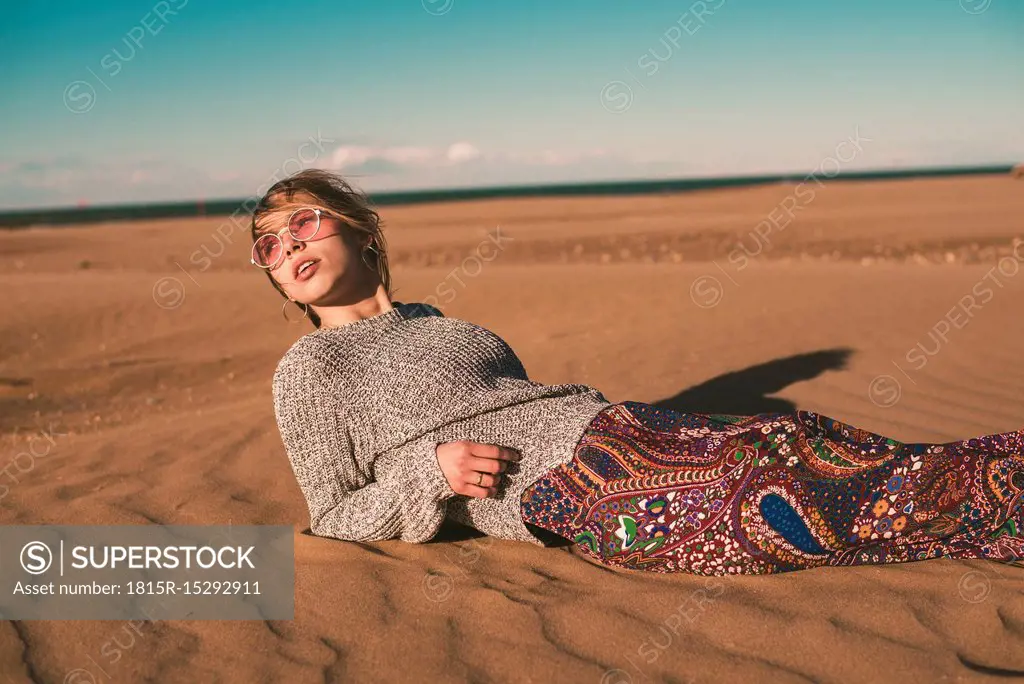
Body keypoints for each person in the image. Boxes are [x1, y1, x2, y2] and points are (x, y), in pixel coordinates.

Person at [253, 169, 1024, 576]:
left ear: (361, 231)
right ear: (278, 283)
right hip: (573, 490)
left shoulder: (445, 325)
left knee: (810, 445)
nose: (288, 246)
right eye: (269, 247)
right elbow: (332, 519)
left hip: (626, 424)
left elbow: (527, 403)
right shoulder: (311, 367)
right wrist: (428, 472)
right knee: (780, 513)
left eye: (304, 222)